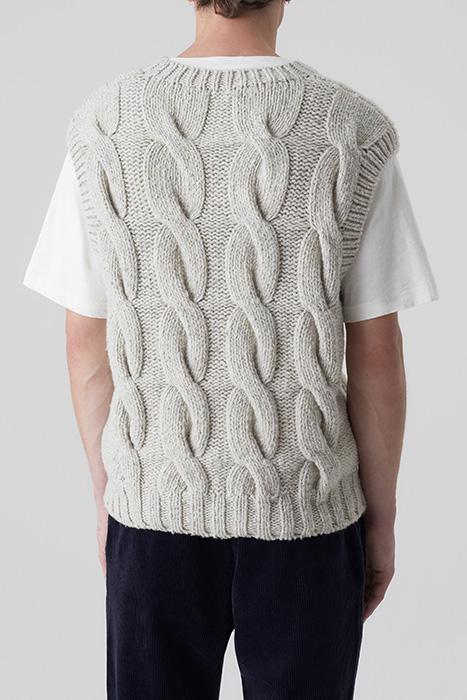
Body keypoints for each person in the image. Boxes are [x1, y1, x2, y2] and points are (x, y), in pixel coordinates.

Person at [23, 0, 439, 697]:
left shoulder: (104, 124)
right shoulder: (351, 129)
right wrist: (382, 520)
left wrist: (110, 496)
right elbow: (376, 353)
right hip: (307, 511)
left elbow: (84, 339)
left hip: (154, 511)